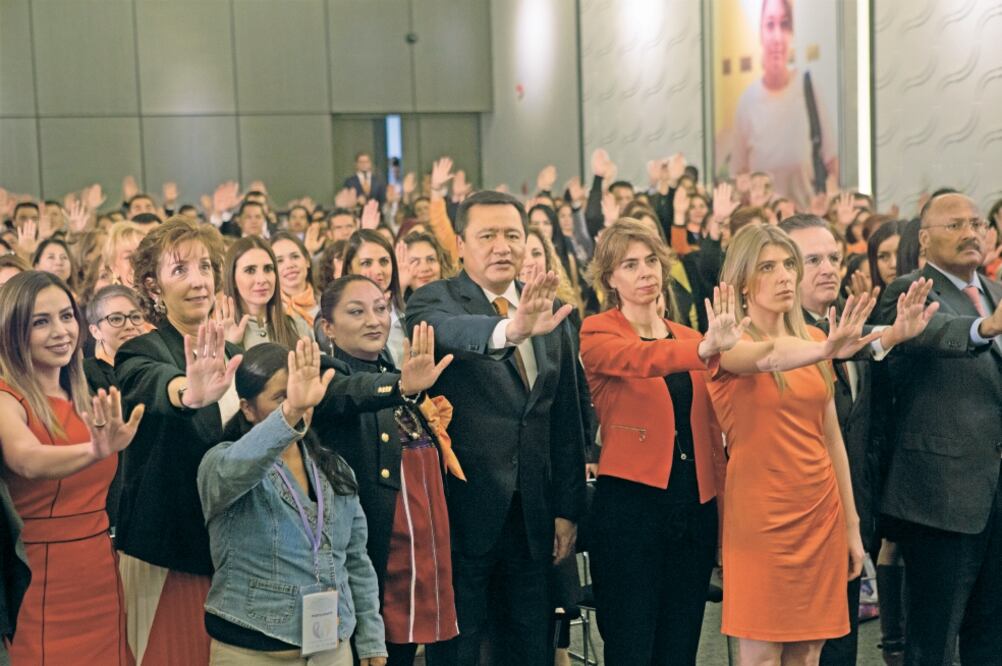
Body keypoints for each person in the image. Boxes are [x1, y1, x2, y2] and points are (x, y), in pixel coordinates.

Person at [406, 190, 588, 665]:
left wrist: (567, 509)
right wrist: (510, 330)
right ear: (460, 245)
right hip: (462, 513)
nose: (502, 246)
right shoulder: (434, 300)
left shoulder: (550, 308)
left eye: (512, 235)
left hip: (533, 517)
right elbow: (450, 333)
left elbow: (565, 417)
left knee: (530, 647)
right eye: (487, 235)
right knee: (460, 651)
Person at [706, 224, 885, 665]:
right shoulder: (728, 343)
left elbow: (831, 438)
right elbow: (769, 356)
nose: (785, 276)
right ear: (743, 281)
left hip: (820, 513)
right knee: (762, 655)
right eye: (768, 267)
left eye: (789, 264)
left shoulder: (814, 341)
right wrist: (827, 349)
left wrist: (851, 526)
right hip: (761, 519)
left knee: (808, 654)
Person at [580, 219, 740, 665]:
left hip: (693, 507)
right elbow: (642, 359)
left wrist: (722, 523)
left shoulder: (690, 337)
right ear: (610, 278)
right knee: (631, 647)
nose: (645, 271)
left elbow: (713, 436)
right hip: (630, 509)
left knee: (680, 646)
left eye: (651, 260)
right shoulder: (598, 331)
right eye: (630, 264)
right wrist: (705, 350)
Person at [780, 214, 937, 666]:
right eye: (812, 260)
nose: (829, 268)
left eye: (833, 257)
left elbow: (868, 429)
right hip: (794, 526)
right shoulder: (773, 340)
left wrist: (865, 512)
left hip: (850, 520)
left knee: (840, 650)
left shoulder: (851, 326)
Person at [197, 340, 388, 666]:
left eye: (301, 393)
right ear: (247, 408)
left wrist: (371, 638)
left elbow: (356, 558)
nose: (299, 403)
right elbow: (241, 464)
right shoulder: (220, 462)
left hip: (332, 646)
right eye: (281, 397)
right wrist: (291, 413)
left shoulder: (335, 467)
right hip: (253, 650)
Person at [876, 192, 1002, 665]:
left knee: (991, 635)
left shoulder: (996, 290)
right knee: (932, 640)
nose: (970, 233)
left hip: (995, 492)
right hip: (941, 497)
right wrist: (983, 328)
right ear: (924, 239)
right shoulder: (908, 290)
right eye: (955, 225)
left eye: (977, 224)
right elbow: (928, 334)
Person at [114, 217, 244, 665]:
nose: (198, 281)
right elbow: (154, 385)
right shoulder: (140, 350)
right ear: (154, 286)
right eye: (180, 270)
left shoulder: (234, 354)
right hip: (169, 554)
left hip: (233, 553)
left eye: (205, 267)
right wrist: (189, 393)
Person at [312, 277, 459, 665]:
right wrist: (399, 385)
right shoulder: (326, 374)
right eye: (356, 311)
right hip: (375, 550)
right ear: (328, 327)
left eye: (380, 309)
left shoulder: (396, 370)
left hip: (420, 548)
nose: (373, 320)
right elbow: (350, 392)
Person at [0, 270, 144, 664]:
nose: (60, 331)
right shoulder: (6, 397)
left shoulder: (84, 395)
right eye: (40, 322)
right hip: (39, 580)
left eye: (66, 316)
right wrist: (94, 451)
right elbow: (27, 459)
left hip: (100, 571)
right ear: (11, 331)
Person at [731, 0, 838, 208]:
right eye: (770, 25)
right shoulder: (747, 102)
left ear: (792, 34)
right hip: (763, 223)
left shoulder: (808, 89)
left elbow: (831, 162)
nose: (777, 37)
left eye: (785, 24)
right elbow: (738, 175)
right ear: (760, 33)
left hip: (808, 217)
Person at [221, 236, 312, 350]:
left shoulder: (298, 327)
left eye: (268, 269)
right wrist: (228, 346)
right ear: (232, 278)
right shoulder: (219, 334)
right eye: (250, 270)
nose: (262, 279)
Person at [341, 230, 406, 365]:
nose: (377, 271)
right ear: (350, 269)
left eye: (384, 261)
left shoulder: (406, 311)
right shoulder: (337, 315)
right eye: (366, 263)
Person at [272, 231, 321, 327]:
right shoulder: (268, 314)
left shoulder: (330, 303)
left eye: (295, 256)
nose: (289, 265)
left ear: (307, 261)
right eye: (279, 261)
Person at [399, 230, 455, 298]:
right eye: (414, 261)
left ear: (442, 264)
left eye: (431, 259)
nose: (424, 268)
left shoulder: (457, 298)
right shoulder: (392, 302)